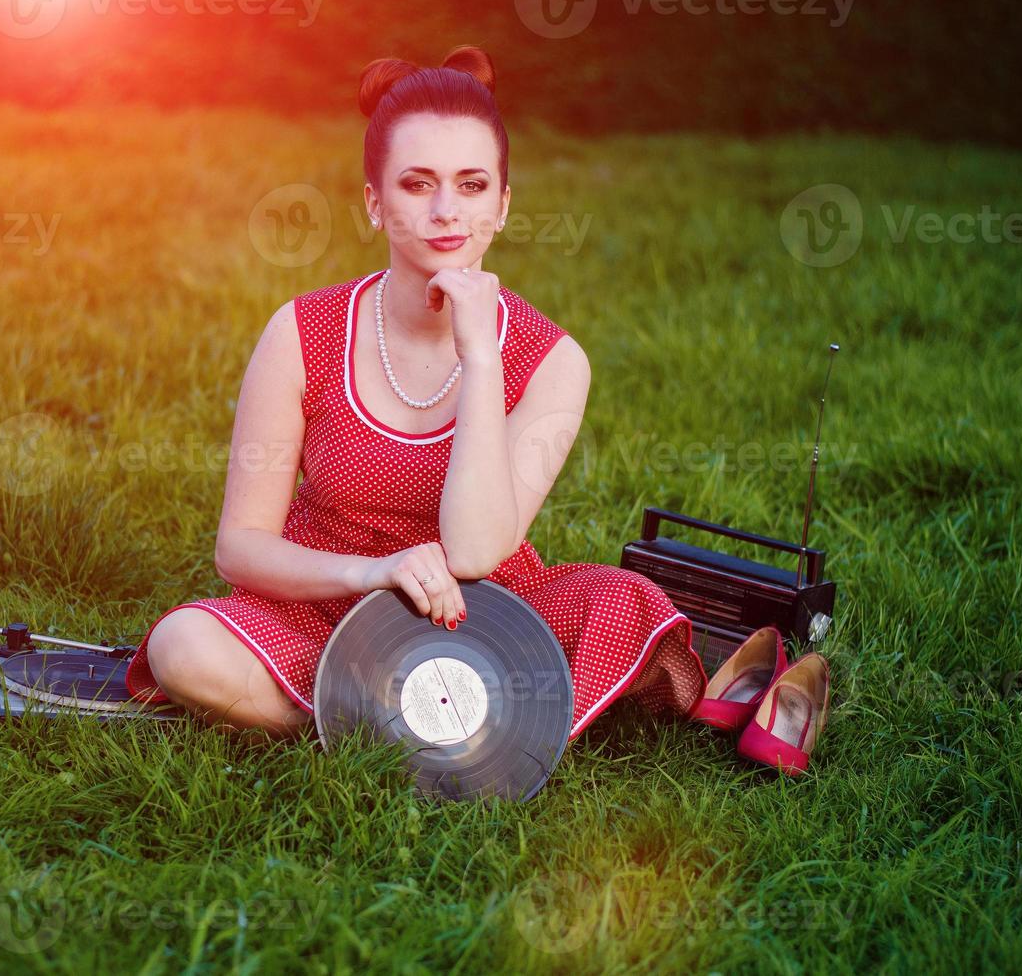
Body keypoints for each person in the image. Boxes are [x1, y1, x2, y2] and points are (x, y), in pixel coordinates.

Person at [125, 45, 706, 742]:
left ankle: (368, 719)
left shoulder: (553, 359)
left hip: (483, 614)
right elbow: (240, 549)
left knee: (624, 600)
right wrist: (372, 573)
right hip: (324, 601)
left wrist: (480, 358)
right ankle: (453, 730)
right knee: (182, 646)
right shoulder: (301, 332)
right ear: (374, 203)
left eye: (470, 185)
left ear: (502, 204)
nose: (443, 211)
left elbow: (472, 552)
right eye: (416, 183)